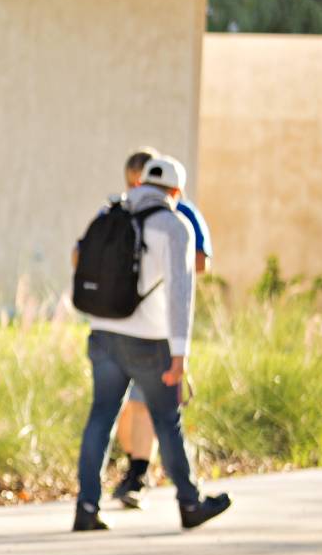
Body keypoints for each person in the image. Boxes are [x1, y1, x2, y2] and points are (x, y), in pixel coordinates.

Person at [73, 155, 230, 531]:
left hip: (103, 334)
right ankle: (190, 504)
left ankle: (86, 508)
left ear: (140, 183)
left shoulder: (108, 213)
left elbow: (78, 256)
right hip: (149, 342)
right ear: (176, 191)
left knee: (100, 417)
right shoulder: (175, 226)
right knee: (166, 421)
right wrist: (180, 356)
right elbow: (181, 297)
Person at [110, 147, 216, 509]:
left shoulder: (169, 215)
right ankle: (156, 483)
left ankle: (137, 475)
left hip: (136, 328)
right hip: (138, 328)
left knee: (142, 408)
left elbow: (199, 262)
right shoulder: (136, 212)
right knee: (141, 409)